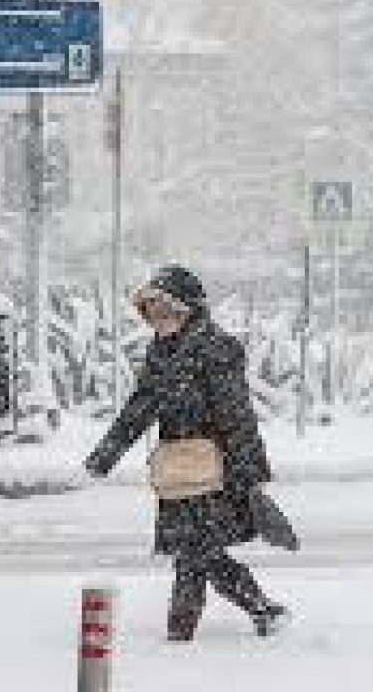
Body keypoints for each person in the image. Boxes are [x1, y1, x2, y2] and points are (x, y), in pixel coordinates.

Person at [84, 264, 291, 642]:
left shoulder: (216, 348)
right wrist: (106, 454)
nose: (157, 319)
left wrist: (245, 470)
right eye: (151, 311)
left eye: (164, 310)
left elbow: (236, 414)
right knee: (196, 551)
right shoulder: (161, 352)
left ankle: (184, 632)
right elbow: (140, 406)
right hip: (179, 469)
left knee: (195, 551)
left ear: (186, 307)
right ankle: (259, 610)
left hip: (215, 467)